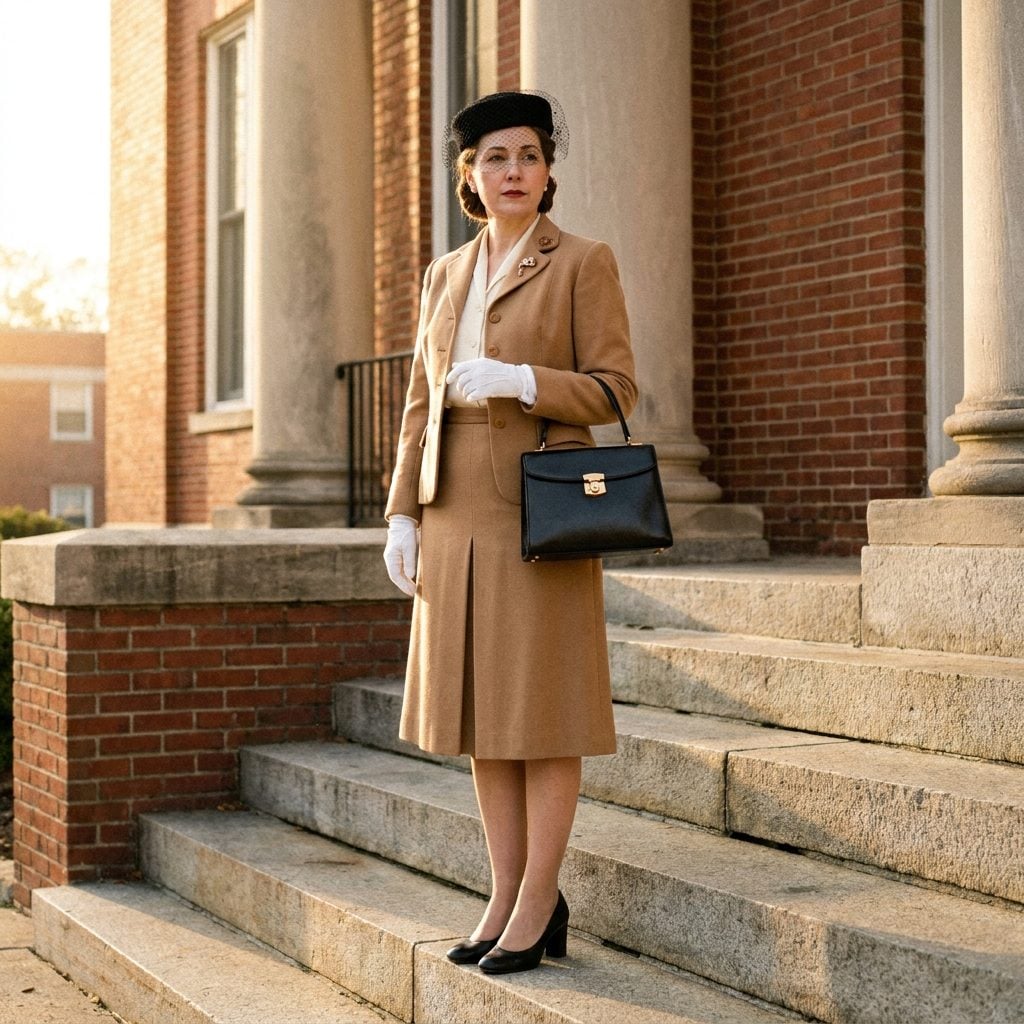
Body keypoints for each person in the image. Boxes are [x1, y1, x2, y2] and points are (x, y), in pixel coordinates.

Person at [382, 90, 637, 975]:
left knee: (544, 714)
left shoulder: (583, 262)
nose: (514, 171)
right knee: (484, 718)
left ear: (547, 170)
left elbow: (616, 389)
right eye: (496, 157)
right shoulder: (443, 274)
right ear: (471, 174)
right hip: (451, 511)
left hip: (540, 511)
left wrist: (524, 381)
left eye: (529, 155)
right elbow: (419, 402)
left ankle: (538, 902)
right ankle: (504, 894)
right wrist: (402, 514)